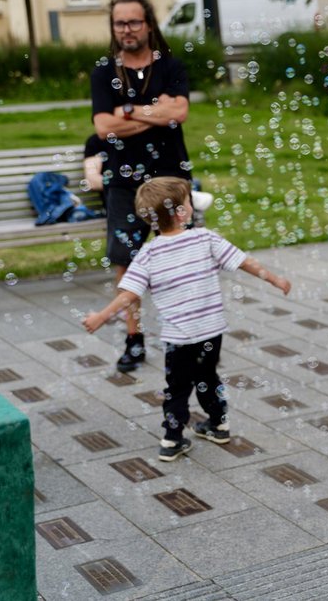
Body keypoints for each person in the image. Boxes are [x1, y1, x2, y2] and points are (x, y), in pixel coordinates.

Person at [82, 178, 291, 462]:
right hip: (211, 331)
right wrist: (275, 279)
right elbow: (244, 262)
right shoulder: (206, 238)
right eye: (189, 201)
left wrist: (101, 317)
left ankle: (172, 439)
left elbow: (129, 295)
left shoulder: (148, 254)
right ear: (182, 213)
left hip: (179, 337)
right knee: (207, 377)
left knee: (177, 387)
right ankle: (218, 424)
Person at [91, 0, 195, 373]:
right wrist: (157, 112)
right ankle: (134, 339)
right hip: (123, 182)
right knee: (125, 262)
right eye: (120, 23)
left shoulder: (170, 66)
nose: (127, 30)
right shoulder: (104, 72)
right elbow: (104, 127)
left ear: (149, 24)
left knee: (184, 259)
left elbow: (180, 112)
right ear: (113, 27)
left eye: (134, 22)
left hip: (172, 178)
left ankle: (188, 335)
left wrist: (129, 111)